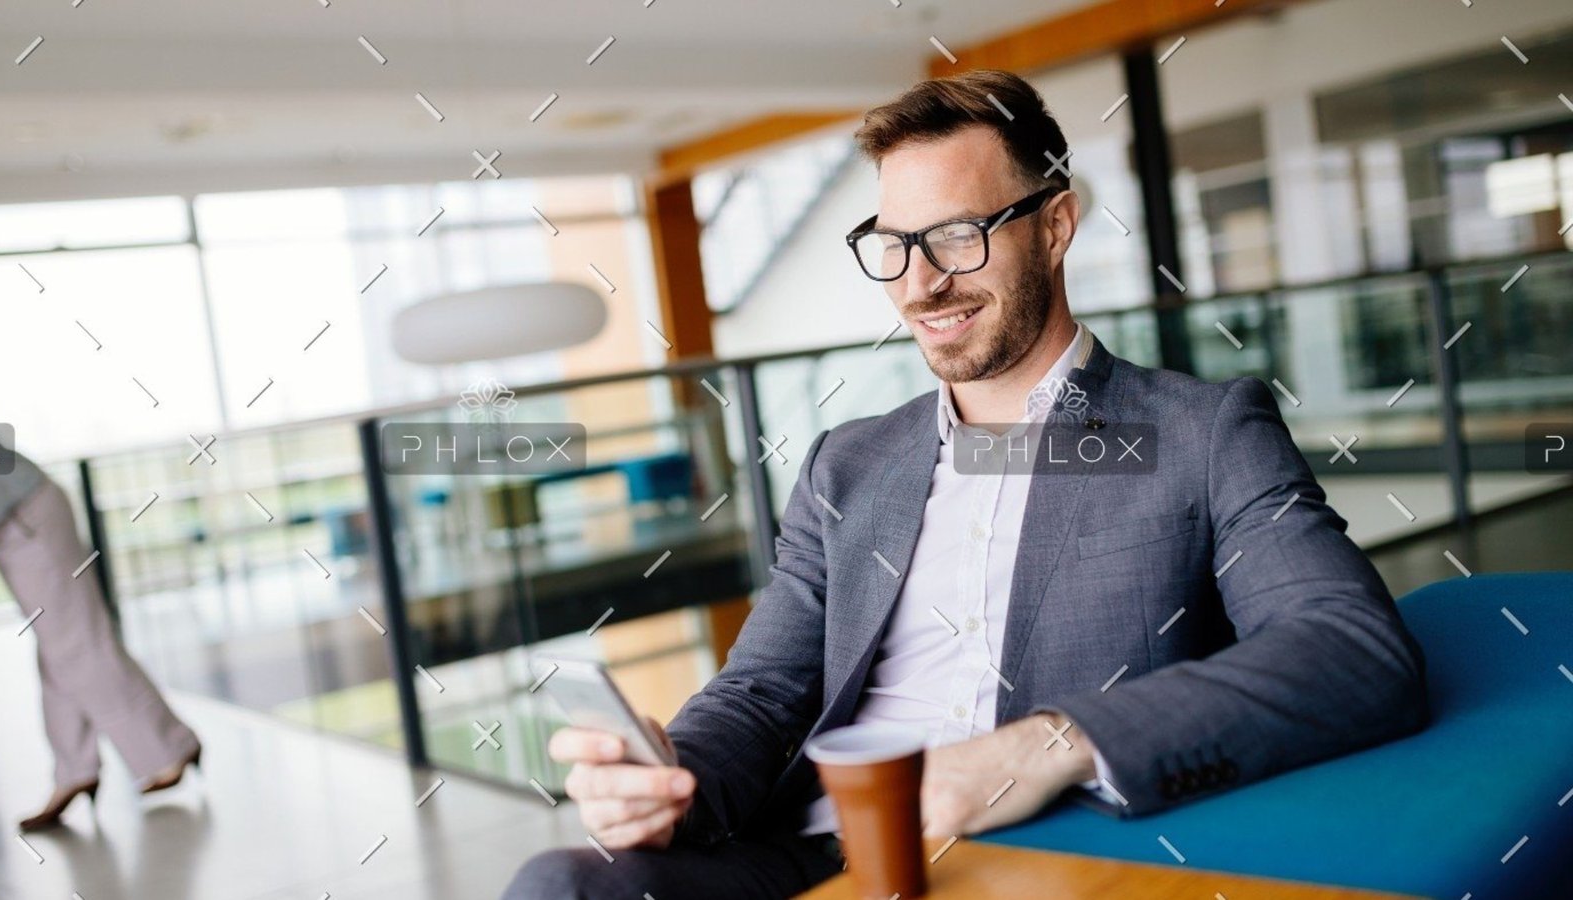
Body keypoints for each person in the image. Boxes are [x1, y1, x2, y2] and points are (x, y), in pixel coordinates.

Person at [503, 69, 1429, 899]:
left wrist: (1044, 747)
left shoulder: (1197, 431)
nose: (921, 285)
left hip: (1029, 851)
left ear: (1056, 224)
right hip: (815, 848)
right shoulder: (849, 463)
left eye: (957, 236)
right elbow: (762, 693)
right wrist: (669, 778)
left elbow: (1352, 651)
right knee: (559, 883)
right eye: (894, 245)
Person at [0, 412, 203, 831]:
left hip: (25, 519)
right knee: (60, 648)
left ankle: (171, 747)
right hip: (15, 523)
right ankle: (75, 772)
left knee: (76, 645)